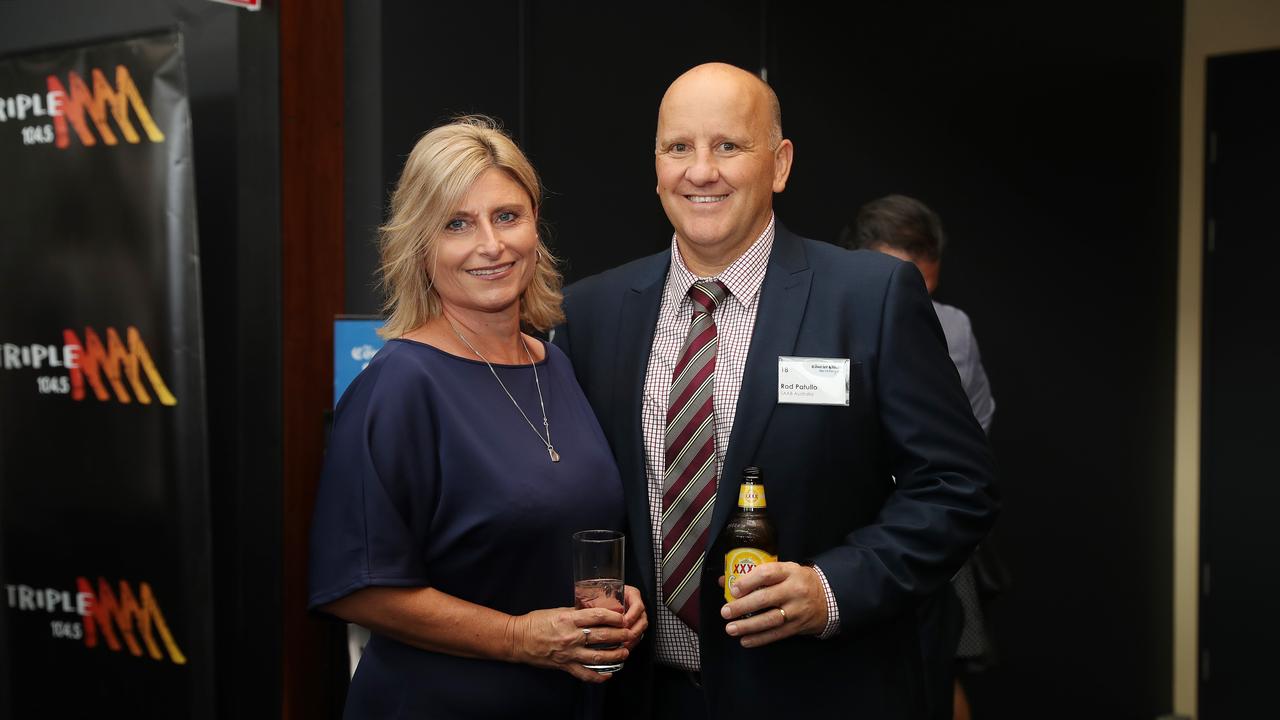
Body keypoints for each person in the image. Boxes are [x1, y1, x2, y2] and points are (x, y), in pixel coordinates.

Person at [552, 63, 997, 719]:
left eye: (728, 145)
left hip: (820, 692)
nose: (701, 171)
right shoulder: (591, 313)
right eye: (680, 147)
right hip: (644, 699)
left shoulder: (868, 299)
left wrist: (831, 587)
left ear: (780, 164)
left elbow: (959, 485)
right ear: (656, 166)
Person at [308, 116, 648, 719]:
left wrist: (621, 604)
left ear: (535, 226)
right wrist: (519, 637)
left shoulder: (556, 364)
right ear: (419, 245)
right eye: (457, 225)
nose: (490, 245)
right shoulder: (399, 384)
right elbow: (358, 589)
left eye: (507, 216)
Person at [845, 194, 998, 720]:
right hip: (838, 528)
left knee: (937, 668)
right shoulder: (822, 313)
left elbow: (969, 446)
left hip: (921, 530)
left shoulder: (952, 328)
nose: (910, 300)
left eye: (924, 287)